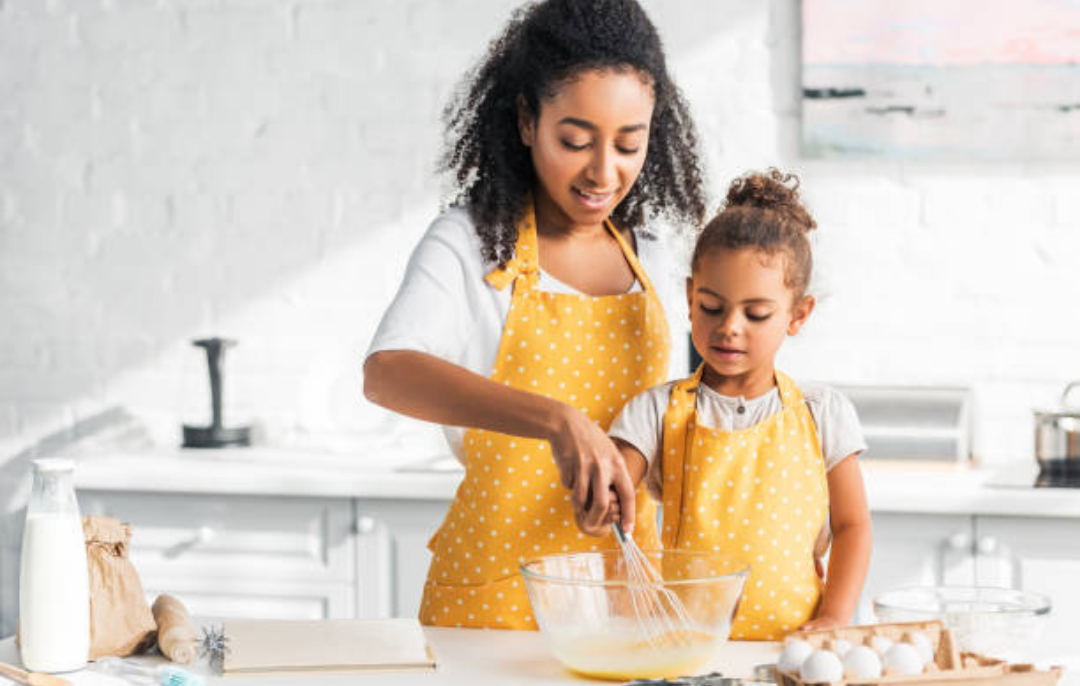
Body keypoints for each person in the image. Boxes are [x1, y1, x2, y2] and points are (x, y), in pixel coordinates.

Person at [363, 0, 707, 629]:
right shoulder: (470, 242)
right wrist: (556, 421)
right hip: (494, 599)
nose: (605, 171)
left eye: (630, 144)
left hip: (625, 592)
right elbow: (387, 372)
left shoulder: (653, 257)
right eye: (575, 141)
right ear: (526, 120)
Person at [609, 169, 872, 640]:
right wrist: (605, 497)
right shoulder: (655, 411)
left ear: (798, 315)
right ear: (690, 298)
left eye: (756, 313)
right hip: (686, 649)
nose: (730, 326)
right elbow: (614, 492)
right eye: (712, 307)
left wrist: (835, 616)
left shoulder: (822, 412)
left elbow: (852, 527)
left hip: (794, 651)